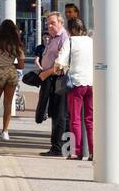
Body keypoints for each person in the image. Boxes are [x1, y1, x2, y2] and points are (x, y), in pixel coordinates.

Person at [58, 17, 94, 159]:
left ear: (70, 30)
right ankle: (93, 152)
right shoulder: (92, 42)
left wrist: (60, 67)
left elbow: (60, 61)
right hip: (91, 83)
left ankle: (76, 152)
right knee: (90, 119)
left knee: (75, 118)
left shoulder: (70, 41)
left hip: (76, 84)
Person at [36, 11, 69, 156]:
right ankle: (55, 146)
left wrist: (45, 73)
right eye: (48, 23)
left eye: (53, 23)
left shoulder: (63, 38)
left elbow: (61, 63)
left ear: (61, 23)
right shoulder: (53, 38)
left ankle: (58, 147)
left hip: (58, 79)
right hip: (49, 78)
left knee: (59, 114)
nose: (49, 26)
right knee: (53, 112)